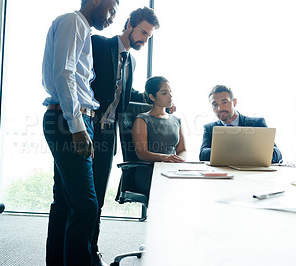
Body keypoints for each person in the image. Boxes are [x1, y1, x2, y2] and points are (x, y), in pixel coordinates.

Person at [41, 0, 119, 265]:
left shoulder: (80, 28)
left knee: (65, 203)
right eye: (112, 10)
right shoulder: (74, 22)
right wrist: (77, 127)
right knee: (87, 207)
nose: (112, 18)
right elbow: (64, 74)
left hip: (69, 120)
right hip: (69, 122)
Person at [89, 7, 160, 263]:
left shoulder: (131, 60)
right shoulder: (98, 44)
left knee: (96, 199)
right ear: (129, 24)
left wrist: (154, 100)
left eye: (149, 36)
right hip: (86, 129)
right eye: (143, 32)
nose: (144, 38)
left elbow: (125, 94)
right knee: (76, 200)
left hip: (108, 137)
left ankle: (91, 251)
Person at [132, 76, 187, 196]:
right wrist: (166, 158)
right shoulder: (142, 120)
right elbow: (142, 153)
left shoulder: (176, 120)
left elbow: (182, 150)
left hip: (172, 170)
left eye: (170, 92)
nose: (170, 96)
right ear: (152, 97)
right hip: (149, 172)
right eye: (164, 93)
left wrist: (179, 160)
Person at [199, 85, 282, 163]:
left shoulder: (257, 123)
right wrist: (236, 150)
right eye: (215, 104)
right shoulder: (209, 128)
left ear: (234, 102)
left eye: (224, 102)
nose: (220, 108)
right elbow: (203, 155)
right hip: (224, 173)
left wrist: (240, 150)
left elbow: (277, 153)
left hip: (252, 173)